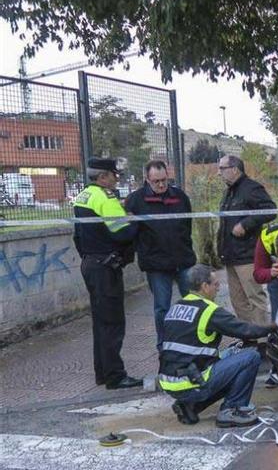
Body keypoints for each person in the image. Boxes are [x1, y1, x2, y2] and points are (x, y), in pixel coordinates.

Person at [158, 264, 276, 427]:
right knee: (251, 356)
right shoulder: (209, 311)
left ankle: (191, 406)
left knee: (233, 352)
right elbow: (246, 330)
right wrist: (275, 327)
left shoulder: (176, 307)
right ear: (204, 287)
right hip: (190, 381)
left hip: (170, 380)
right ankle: (231, 410)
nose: (219, 288)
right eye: (215, 284)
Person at [73, 158, 141, 390]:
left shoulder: (83, 196)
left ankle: (102, 373)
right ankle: (115, 376)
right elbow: (122, 233)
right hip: (105, 268)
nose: (116, 178)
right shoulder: (105, 197)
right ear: (103, 177)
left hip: (90, 264)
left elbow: (77, 236)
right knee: (112, 323)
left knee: (100, 322)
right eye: (114, 174)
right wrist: (136, 222)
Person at [125, 160, 197, 350]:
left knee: (194, 303)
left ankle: (194, 341)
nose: (161, 185)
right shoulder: (136, 200)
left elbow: (187, 226)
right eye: (156, 181)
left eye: (164, 180)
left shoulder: (180, 197)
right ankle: (164, 346)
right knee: (162, 308)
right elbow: (131, 232)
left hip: (183, 260)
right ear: (147, 180)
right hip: (156, 264)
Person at [217, 155, 277, 330]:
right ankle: (249, 337)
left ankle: (262, 339)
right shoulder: (228, 191)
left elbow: (271, 210)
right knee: (238, 301)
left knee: (255, 298)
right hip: (230, 255)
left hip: (248, 255)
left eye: (222, 168)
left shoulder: (251, 188)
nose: (218, 173)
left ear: (235, 169)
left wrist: (245, 224)